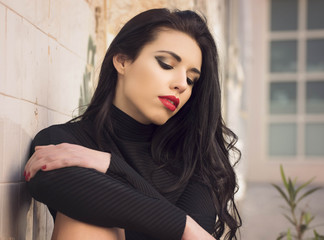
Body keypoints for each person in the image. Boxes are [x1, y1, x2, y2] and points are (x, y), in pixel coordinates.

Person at [24, 8, 242, 240]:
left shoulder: (195, 160)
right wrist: (185, 225)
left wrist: (109, 164)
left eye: (191, 79)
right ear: (122, 61)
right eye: (166, 64)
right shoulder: (65, 144)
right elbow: (192, 234)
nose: (182, 84)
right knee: (85, 222)